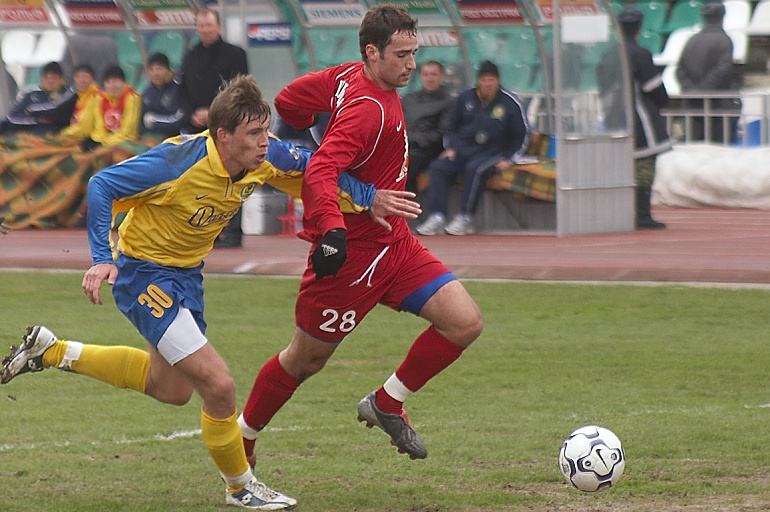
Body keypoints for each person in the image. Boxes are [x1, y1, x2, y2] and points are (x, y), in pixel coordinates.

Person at [0, 74, 406, 510]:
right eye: (253, 133)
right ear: (223, 136)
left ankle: (52, 350)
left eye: (265, 130)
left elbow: (314, 169)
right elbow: (102, 185)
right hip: (143, 275)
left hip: (187, 276)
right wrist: (102, 257)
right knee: (219, 384)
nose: (264, 142)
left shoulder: (264, 156)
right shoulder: (177, 161)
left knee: (170, 389)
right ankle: (240, 487)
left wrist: (368, 197)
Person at [238, 5, 481, 471]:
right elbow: (321, 170)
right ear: (372, 52)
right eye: (402, 55)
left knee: (464, 322)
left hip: (396, 244)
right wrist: (333, 230)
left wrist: (313, 125)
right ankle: (242, 438)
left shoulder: (346, 76)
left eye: (413, 52)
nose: (412, 64)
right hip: (353, 256)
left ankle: (387, 403)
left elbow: (288, 102)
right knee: (304, 361)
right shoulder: (366, 111)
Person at [415, 60, 530, 236]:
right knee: (438, 167)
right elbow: (451, 127)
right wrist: (451, 147)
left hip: (493, 153)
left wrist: (509, 158)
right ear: (479, 81)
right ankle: (437, 216)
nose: (488, 84)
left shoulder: (510, 102)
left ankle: (465, 216)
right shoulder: (465, 98)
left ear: (498, 80)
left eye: (491, 80)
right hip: (463, 151)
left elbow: (521, 134)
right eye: (484, 80)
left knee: (475, 169)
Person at [178, 8, 249, 247]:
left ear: (219, 26)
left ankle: (233, 231)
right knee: (201, 179)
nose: (205, 30)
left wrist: (213, 112)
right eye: (201, 26)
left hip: (227, 126)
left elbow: (240, 91)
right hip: (197, 127)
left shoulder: (235, 54)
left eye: (209, 25)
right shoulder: (190, 56)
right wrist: (193, 113)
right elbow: (182, 90)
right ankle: (207, 231)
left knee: (231, 176)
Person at [598, 8, 672, 229]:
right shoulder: (640, 54)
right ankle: (642, 215)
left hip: (613, 119)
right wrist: (663, 102)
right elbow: (654, 89)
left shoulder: (607, 55)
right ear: (638, 29)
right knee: (644, 168)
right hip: (641, 121)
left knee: (620, 167)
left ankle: (620, 213)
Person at [676, 1, 741, 144]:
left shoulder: (692, 40)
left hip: (693, 105)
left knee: (694, 146)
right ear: (722, 17)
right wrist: (703, 90)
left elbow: (680, 71)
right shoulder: (724, 40)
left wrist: (692, 90)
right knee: (718, 148)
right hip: (717, 107)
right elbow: (723, 69)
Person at [400, 60, 453, 194]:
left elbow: (442, 134)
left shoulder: (448, 102)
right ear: (420, 77)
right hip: (404, 146)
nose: (430, 78)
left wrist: (414, 139)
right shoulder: (409, 99)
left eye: (434, 74)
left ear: (441, 76)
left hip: (427, 151)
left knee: (405, 167)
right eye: (426, 74)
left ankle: (407, 202)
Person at [0, 61, 77, 136]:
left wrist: (29, 109)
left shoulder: (68, 93)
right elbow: (12, 117)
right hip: (29, 133)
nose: (50, 81)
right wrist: (35, 119)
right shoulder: (31, 95)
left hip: (54, 134)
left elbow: (53, 109)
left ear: (61, 79)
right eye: (46, 77)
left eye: (54, 77)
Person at [81, 65, 141, 150]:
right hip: (109, 139)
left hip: (127, 141)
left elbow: (128, 130)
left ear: (124, 82)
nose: (113, 85)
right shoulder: (101, 99)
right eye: (108, 82)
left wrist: (104, 143)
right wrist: (96, 140)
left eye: (116, 81)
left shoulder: (132, 97)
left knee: (97, 153)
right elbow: (100, 127)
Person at [141, 52, 184, 138]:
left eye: (159, 69)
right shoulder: (148, 92)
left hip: (175, 138)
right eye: (151, 69)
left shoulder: (179, 89)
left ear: (168, 70)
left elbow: (179, 120)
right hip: (151, 138)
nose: (155, 73)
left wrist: (153, 121)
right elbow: (142, 119)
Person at [60, 64, 101, 142]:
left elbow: (85, 127)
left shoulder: (96, 96)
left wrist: (63, 134)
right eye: (78, 76)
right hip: (75, 136)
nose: (81, 80)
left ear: (92, 79)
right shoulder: (75, 96)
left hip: (91, 140)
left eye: (85, 76)